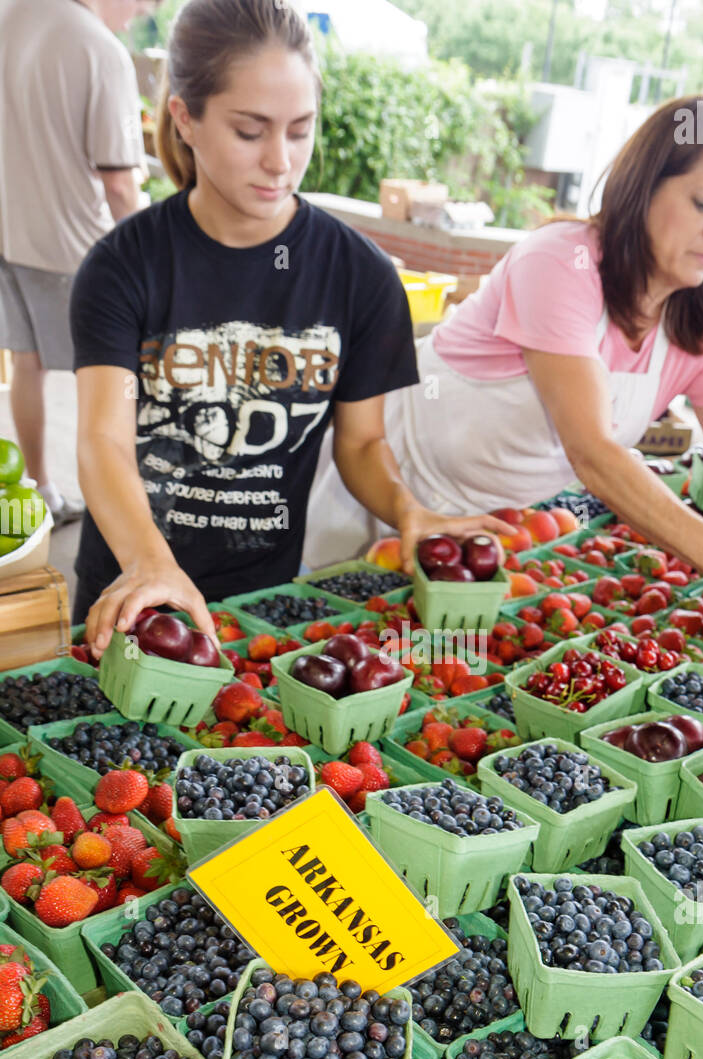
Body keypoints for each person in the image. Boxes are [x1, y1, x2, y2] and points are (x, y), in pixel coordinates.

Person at [304, 97, 703, 653]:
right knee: (319, 640)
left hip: (476, 540)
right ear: (643, 188)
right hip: (375, 487)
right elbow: (591, 449)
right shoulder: (561, 264)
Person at [71, 0, 509, 655]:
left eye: (300, 130)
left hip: (263, 608)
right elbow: (104, 440)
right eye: (251, 131)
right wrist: (151, 564)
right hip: (131, 599)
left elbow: (360, 446)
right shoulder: (123, 265)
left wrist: (407, 509)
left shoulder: (361, 277)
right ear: (185, 118)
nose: (281, 160)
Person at [0, 0, 155, 525]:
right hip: (78, 248)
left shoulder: (9, 15)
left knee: (28, 364)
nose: (135, 18)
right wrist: (155, 259)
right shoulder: (99, 49)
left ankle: (42, 491)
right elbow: (119, 183)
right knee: (111, 377)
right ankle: (122, 512)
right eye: (141, 7)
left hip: (8, 233)